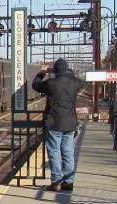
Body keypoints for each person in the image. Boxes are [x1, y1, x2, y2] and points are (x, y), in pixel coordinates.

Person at [32, 58, 86, 192]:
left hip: (54, 123)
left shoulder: (51, 83)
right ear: (66, 70)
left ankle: (56, 182)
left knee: (54, 152)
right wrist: (69, 73)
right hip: (70, 123)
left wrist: (41, 73)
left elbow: (36, 85)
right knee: (68, 152)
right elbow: (80, 82)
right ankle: (68, 182)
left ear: (55, 71)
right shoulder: (75, 83)